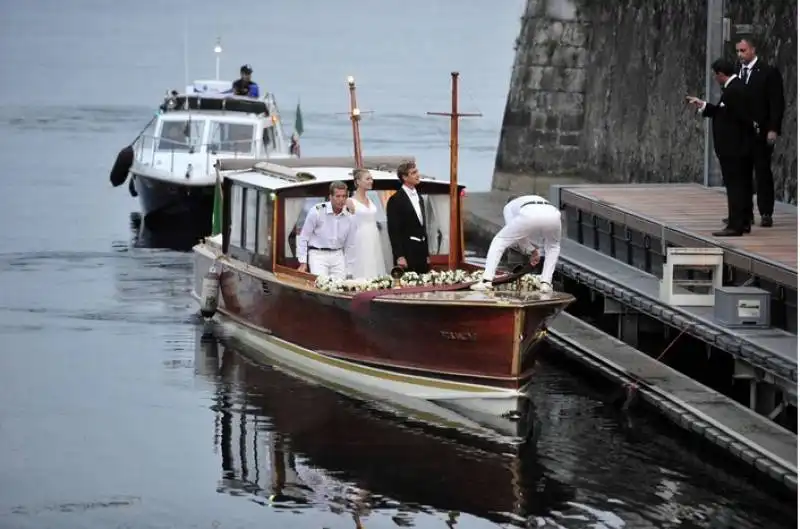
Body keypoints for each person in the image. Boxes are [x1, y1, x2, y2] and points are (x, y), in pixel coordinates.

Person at [687, 58, 756, 237]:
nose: (715, 78)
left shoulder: (734, 91)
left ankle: (736, 225)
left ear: (720, 74)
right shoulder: (735, 88)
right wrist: (703, 105)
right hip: (736, 147)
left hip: (734, 148)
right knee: (739, 185)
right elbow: (723, 112)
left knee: (735, 186)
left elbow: (739, 119)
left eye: (715, 75)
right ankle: (742, 220)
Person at [734, 37, 785, 228]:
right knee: (742, 173)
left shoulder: (768, 72)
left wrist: (773, 128)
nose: (740, 55)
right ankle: (744, 212)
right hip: (742, 132)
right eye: (738, 51)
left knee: (762, 172)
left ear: (753, 50)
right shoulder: (737, 71)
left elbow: (776, 103)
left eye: (743, 50)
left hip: (761, 131)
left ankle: (766, 212)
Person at [470, 195, 561, 293]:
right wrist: (532, 250)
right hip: (553, 214)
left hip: (530, 214)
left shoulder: (509, 206)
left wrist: (532, 250)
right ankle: (546, 283)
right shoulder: (532, 198)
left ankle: (486, 281)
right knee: (553, 247)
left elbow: (517, 236)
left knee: (499, 240)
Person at [296, 181, 356, 279]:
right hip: (318, 254)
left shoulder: (349, 216)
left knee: (340, 287)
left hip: (338, 254)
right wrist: (303, 262)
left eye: (344, 196)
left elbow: (350, 245)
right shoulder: (317, 211)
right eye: (338, 196)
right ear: (330, 197)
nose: (341, 199)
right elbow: (304, 237)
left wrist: (350, 268)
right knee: (322, 285)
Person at [386, 161, 430, 274]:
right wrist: (400, 256)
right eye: (413, 173)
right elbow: (393, 231)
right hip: (407, 252)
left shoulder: (419, 197)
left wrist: (427, 253)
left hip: (421, 251)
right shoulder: (395, 200)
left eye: (417, 172)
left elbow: (422, 226)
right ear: (405, 177)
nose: (418, 175)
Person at [345, 169, 387, 279]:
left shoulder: (371, 199)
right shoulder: (350, 201)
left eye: (371, 179)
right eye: (368, 179)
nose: (371, 181)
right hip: (360, 236)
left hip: (374, 235)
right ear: (358, 182)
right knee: (363, 264)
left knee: (375, 262)